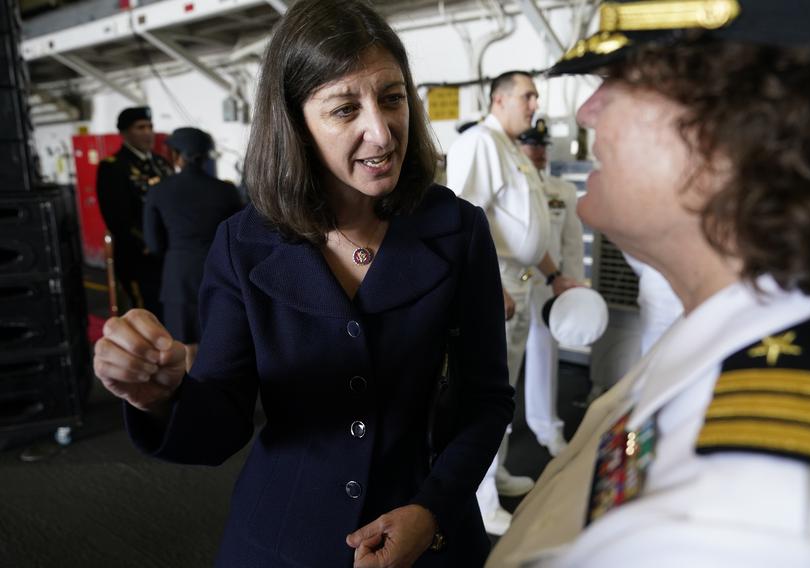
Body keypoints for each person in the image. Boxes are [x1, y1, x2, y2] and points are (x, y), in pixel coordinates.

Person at [488, 0, 810, 566]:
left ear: (743, 126)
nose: (588, 110)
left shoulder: (739, 525)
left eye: (623, 79)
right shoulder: (761, 326)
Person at [92, 1, 513, 566]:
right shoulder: (243, 244)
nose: (381, 131)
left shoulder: (457, 229)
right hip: (284, 538)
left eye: (392, 99)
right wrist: (158, 397)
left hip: (426, 530)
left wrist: (432, 510)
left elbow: (486, 400)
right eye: (345, 109)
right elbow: (221, 425)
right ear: (294, 123)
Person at [446, 71, 581, 535]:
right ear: (499, 99)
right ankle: (478, 500)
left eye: (535, 97)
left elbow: (525, 228)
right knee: (484, 393)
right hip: (497, 282)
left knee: (502, 391)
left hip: (520, 281)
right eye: (528, 95)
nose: (534, 104)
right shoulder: (481, 142)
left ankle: (495, 472)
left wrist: (556, 274)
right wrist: (487, 285)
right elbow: (463, 219)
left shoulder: (509, 147)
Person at [143, 127, 243, 371]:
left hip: (179, 277)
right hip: (220, 274)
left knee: (184, 346)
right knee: (222, 342)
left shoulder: (158, 191)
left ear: (176, 155)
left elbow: (154, 244)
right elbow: (240, 238)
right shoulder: (226, 190)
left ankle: (193, 402)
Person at [517, 120, 584, 457]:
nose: (539, 152)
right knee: (503, 366)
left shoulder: (563, 190)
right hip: (513, 283)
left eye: (543, 146)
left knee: (545, 355)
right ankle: (499, 446)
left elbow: (572, 244)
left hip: (547, 284)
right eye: (532, 145)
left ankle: (548, 428)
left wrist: (571, 285)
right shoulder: (511, 186)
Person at [96, 106, 173, 318]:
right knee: (150, 314)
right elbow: (117, 219)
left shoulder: (161, 164)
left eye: (150, 126)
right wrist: (151, 243)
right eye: (140, 127)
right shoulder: (114, 168)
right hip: (141, 257)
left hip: (170, 254)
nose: (148, 132)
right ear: (124, 133)